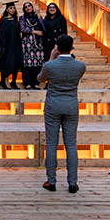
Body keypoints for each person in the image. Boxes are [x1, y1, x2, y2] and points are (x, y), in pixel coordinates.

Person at [38, 35, 87, 193]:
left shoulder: (50, 65)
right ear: (72, 48)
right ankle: (72, 183)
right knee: (71, 144)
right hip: (71, 105)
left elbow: (40, 78)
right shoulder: (80, 66)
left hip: (53, 105)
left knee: (52, 144)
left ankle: (51, 181)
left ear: (56, 47)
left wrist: (51, 58)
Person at [0, 2, 23, 89]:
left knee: (17, 62)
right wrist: (2, 46)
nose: (12, 10)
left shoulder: (15, 20)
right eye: (10, 8)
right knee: (7, 63)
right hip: (7, 45)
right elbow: (1, 34)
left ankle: (13, 81)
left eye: (14, 8)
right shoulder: (4, 20)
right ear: (7, 10)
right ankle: (2, 81)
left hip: (16, 44)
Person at [19, 3, 46, 89]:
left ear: (32, 7)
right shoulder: (22, 18)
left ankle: (36, 83)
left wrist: (38, 16)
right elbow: (22, 29)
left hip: (38, 43)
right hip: (27, 43)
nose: (28, 8)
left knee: (37, 63)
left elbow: (43, 27)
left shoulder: (37, 17)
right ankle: (27, 83)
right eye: (25, 7)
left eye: (29, 6)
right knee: (27, 63)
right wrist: (34, 32)